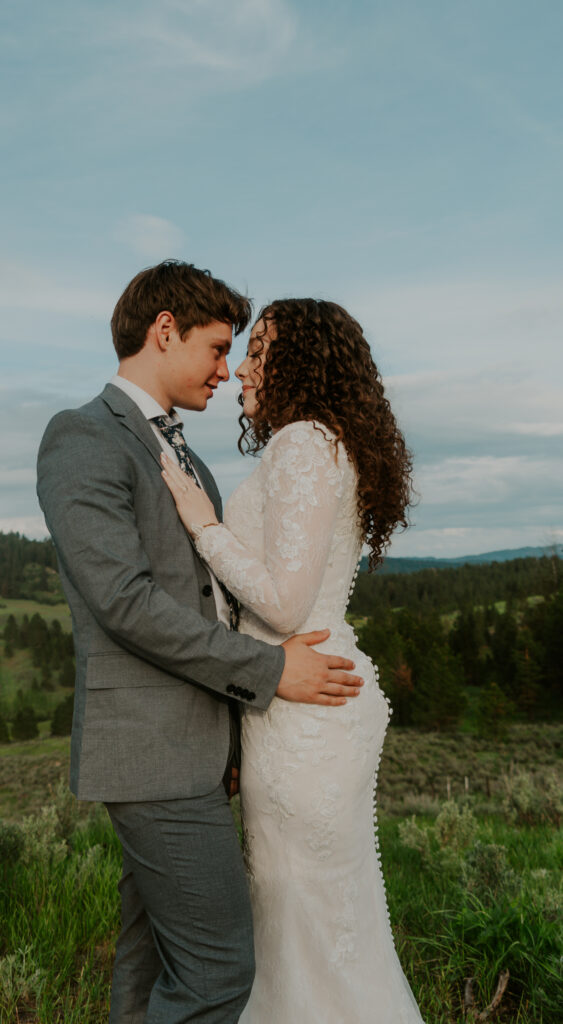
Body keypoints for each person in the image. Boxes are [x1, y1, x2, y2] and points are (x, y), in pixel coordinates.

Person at [36, 263, 364, 1024]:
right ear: (163, 331)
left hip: (198, 748)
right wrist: (270, 670)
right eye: (217, 348)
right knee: (219, 972)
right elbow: (125, 603)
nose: (227, 368)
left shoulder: (191, 459)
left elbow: (211, 601)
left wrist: (232, 741)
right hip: (150, 754)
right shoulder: (83, 436)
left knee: (150, 963)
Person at [161, 297, 425, 1022]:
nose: (242, 366)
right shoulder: (329, 441)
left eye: (259, 351)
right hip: (304, 689)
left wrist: (202, 525)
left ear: (299, 364)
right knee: (317, 910)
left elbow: (280, 602)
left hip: (303, 696)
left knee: (298, 907)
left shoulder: (303, 442)